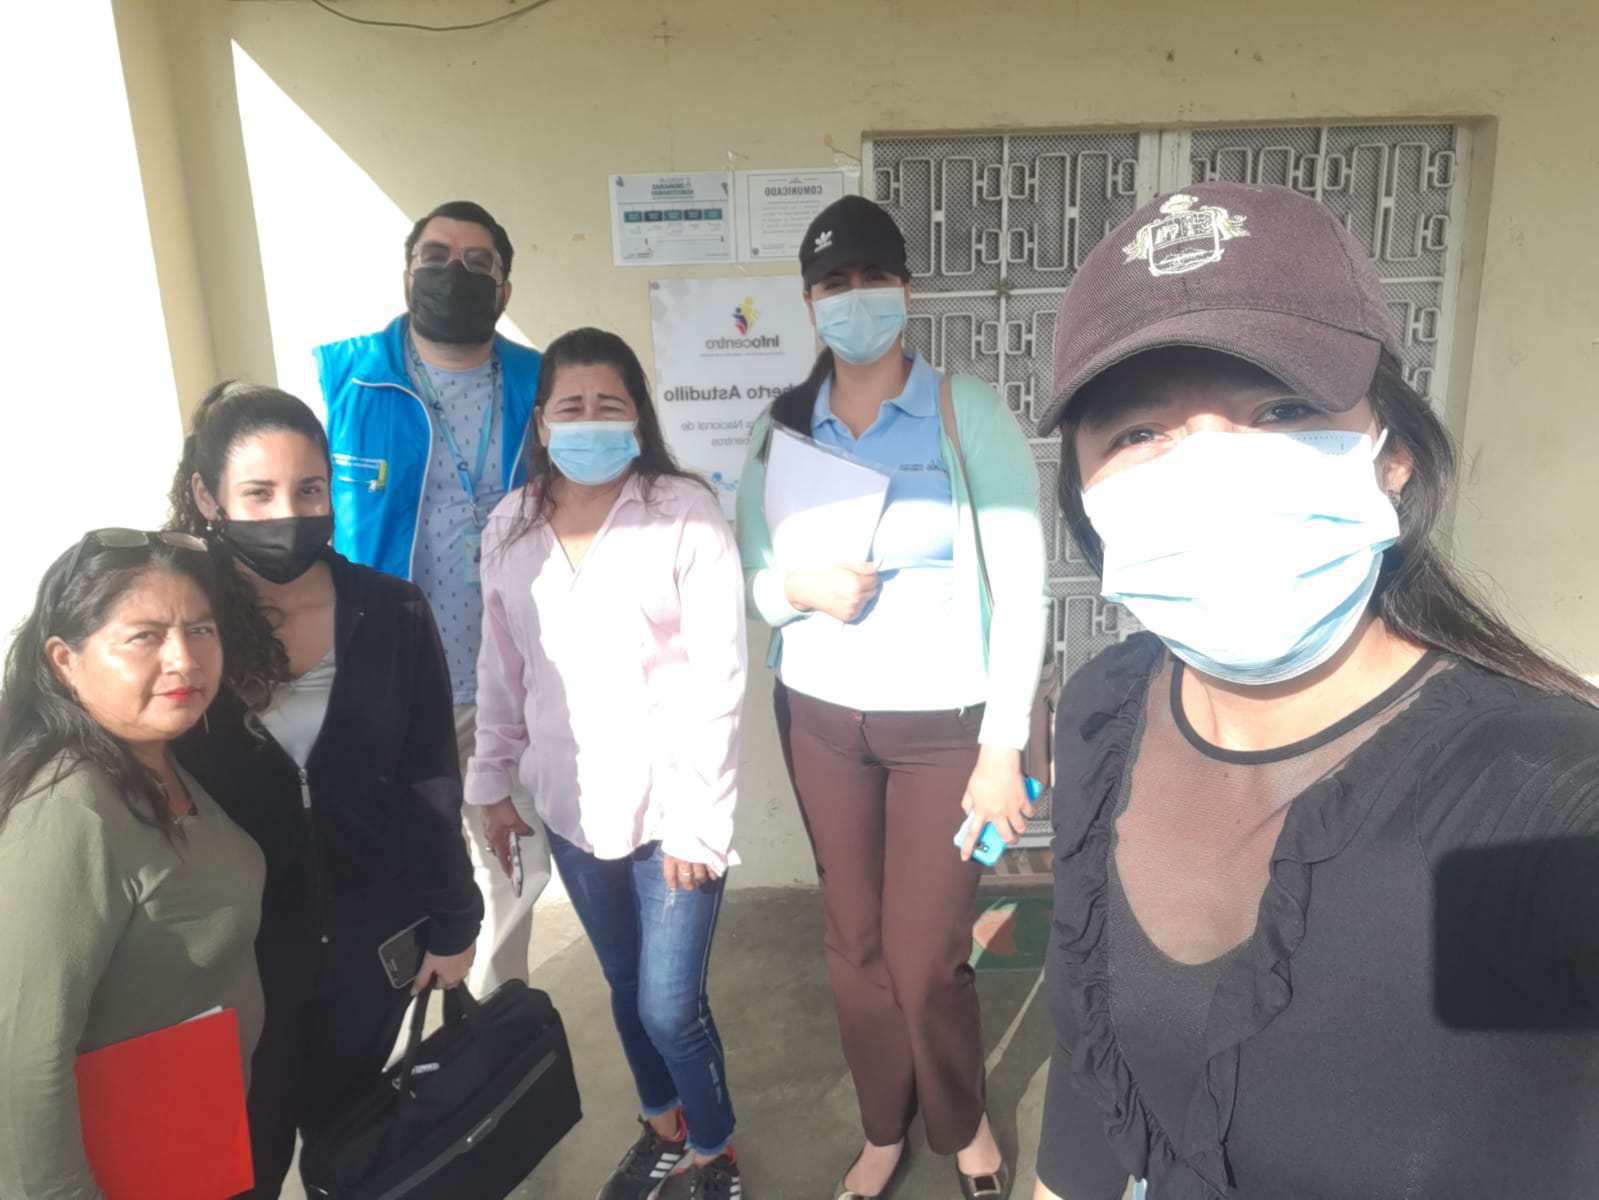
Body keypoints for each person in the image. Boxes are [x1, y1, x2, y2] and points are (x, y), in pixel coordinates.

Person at [1030, 182, 1599, 1200]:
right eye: (1139, 433)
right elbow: (1089, 1081)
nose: (1211, 473)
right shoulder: (1102, 712)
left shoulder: (1544, 806)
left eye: (1281, 410)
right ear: (1081, 496)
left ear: (1394, 455)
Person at [735, 195, 1048, 1200]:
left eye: (873, 277)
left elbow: (1023, 584)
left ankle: (961, 1121)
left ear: (905, 290)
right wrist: (795, 589)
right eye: (833, 283)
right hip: (819, 724)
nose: (854, 298)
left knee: (924, 955)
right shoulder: (781, 428)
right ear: (809, 302)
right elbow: (751, 579)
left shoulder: (964, 412)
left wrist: (1003, 745)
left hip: (945, 734)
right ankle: (883, 1128)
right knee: (854, 945)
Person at [168, 383, 484, 1200]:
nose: (289, 514)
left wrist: (454, 919)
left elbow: (428, 780)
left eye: (310, 490)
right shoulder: (178, 626)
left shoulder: (391, 611)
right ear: (208, 496)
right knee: (241, 1167)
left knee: (356, 1160)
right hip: (232, 970)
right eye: (259, 493)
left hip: (370, 955)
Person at [469, 328, 747, 1200]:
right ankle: (663, 1127)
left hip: (672, 812)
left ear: (637, 416)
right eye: (571, 406)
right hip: (570, 805)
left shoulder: (682, 512)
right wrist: (490, 781)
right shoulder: (510, 524)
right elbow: (499, 668)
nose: (589, 421)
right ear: (541, 421)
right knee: (624, 984)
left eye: (608, 404)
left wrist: (700, 823)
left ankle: (714, 1148)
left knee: (670, 1004)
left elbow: (720, 678)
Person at [314, 199, 548, 995]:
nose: (455, 272)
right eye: (436, 256)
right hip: (391, 677)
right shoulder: (347, 378)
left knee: (520, 861)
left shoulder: (539, 382)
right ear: (407, 274)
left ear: (504, 289)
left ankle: (497, 1010)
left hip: (510, 679)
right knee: (398, 863)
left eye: (478, 262)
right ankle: (403, 1017)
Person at [0, 529, 265, 1199]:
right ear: (65, 661)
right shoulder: (70, 810)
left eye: (200, 630)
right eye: (145, 637)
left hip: (187, 1142)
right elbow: (23, 1058)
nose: (184, 659)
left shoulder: (155, 760)